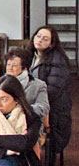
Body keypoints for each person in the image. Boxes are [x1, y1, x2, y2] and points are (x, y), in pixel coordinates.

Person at [28, 25, 71, 154]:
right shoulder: (29, 55)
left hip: (52, 107)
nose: (40, 40)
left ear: (51, 44)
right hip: (32, 101)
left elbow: (52, 90)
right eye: (38, 36)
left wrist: (29, 102)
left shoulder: (58, 60)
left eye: (45, 39)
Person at [3, 47, 49, 126]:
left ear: (24, 68)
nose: (10, 68)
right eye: (8, 64)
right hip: (3, 123)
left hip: (29, 125)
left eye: (14, 65)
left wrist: (21, 109)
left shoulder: (38, 85)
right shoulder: (0, 83)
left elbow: (44, 107)